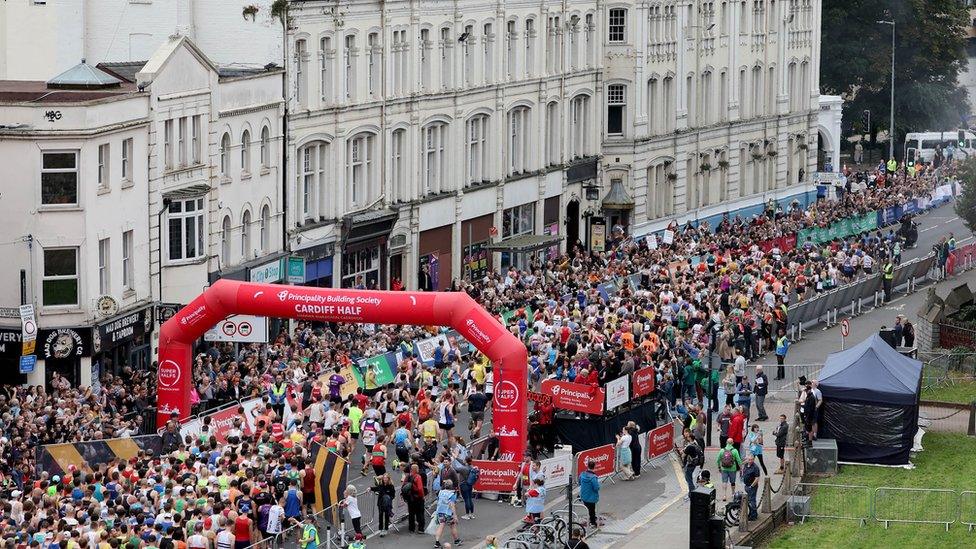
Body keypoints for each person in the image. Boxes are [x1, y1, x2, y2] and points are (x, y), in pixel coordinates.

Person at [433, 479, 461, 548]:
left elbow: (438, 501)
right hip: (448, 513)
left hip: (440, 512)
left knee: (441, 526)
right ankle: (456, 540)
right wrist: (455, 515)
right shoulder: (452, 495)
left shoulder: (440, 492)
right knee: (452, 526)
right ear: (451, 486)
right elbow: (452, 505)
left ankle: (437, 542)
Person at [716, 437, 742, 502]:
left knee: (724, 481)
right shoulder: (735, 451)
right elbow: (739, 460)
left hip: (724, 468)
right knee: (732, 482)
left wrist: (719, 467)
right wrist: (741, 468)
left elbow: (718, 460)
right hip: (732, 469)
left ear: (726, 443)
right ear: (732, 443)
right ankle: (733, 493)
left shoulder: (722, 450)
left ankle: (724, 495)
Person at [403, 463, 427, 533]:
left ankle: (411, 528)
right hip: (418, 498)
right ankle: (420, 529)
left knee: (411, 513)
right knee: (420, 513)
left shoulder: (407, 477)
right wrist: (422, 496)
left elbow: (403, 485)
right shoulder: (417, 477)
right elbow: (420, 489)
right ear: (416, 469)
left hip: (410, 498)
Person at [678, 430, 703, 496]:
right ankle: (692, 491)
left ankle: (691, 493)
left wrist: (682, 453)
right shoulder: (696, 443)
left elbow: (683, 455)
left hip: (690, 464)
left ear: (690, 438)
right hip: (697, 463)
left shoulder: (689, 446)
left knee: (688, 478)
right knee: (691, 478)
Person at [578, 460, 601, 528]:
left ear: (587, 466)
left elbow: (579, 483)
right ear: (594, 467)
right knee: (592, 510)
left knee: (588, 509)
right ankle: (593, 522)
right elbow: (596, 488)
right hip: (592, 497)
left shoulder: (582, 474)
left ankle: (592, 518)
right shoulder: (593, 477)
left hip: (584, 496)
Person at [741, 455, 761, 520]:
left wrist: (751, 486)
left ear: (753, 460)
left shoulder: (755, 467)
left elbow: (757, 478)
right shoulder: (746, 465)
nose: (750, 461)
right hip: (746, 485)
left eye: (751, 460)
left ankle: (753, 515)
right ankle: (752, 513)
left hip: (752, 486)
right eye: (749, 459)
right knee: (749, 500)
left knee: (752, 500)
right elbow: (741, 464)